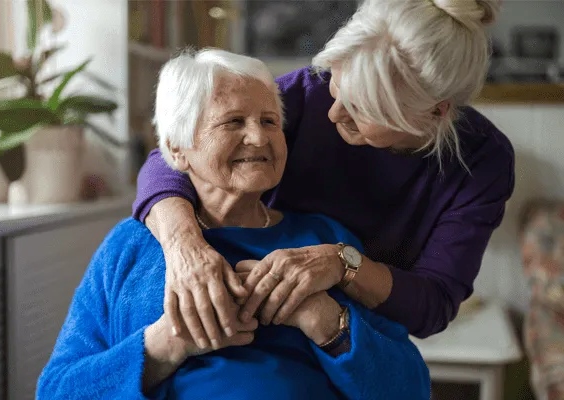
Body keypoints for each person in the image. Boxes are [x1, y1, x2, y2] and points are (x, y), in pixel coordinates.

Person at [36, 49, 430, 399]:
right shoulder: (130, 246)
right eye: (233, 122)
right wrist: (167, 343)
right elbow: (56, 390)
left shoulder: (325, 242)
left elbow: (411, 387)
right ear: (176, 147)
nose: (258, 137)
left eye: (270, 121)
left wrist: (323, 318)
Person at [132, 0, 515, 348]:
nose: (333, 114)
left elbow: (433, 304)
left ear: (436, 112)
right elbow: (170, 156)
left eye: (362, 108)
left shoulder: (483, 160)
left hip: (355, 335)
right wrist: (186, 248)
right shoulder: (308, 91)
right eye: (336, 86)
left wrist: (343, 264)